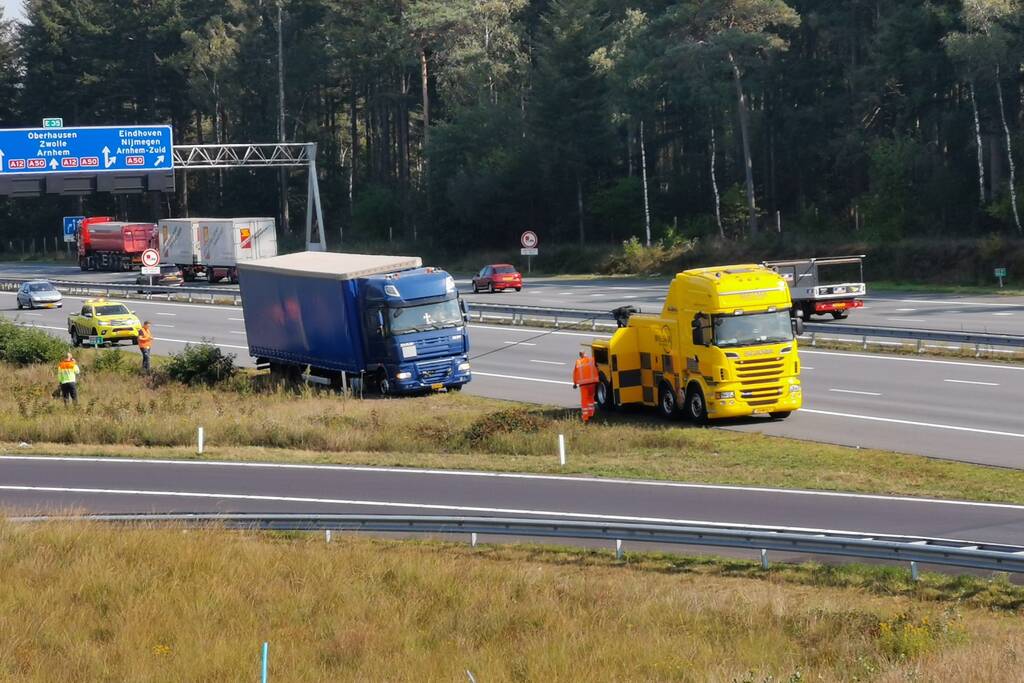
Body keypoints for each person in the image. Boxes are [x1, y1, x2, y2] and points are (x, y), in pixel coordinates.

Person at [571, 350, 599, 423]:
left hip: (583, 385)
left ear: (580, 355)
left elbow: (575, 373)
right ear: (586, 354)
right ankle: (591, 415)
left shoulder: (578, 362)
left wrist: (575, 383)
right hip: (592, 383)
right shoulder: (592, 360)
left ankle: (585, 418)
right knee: (591, 399)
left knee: (584, 401)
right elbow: (597, 368)